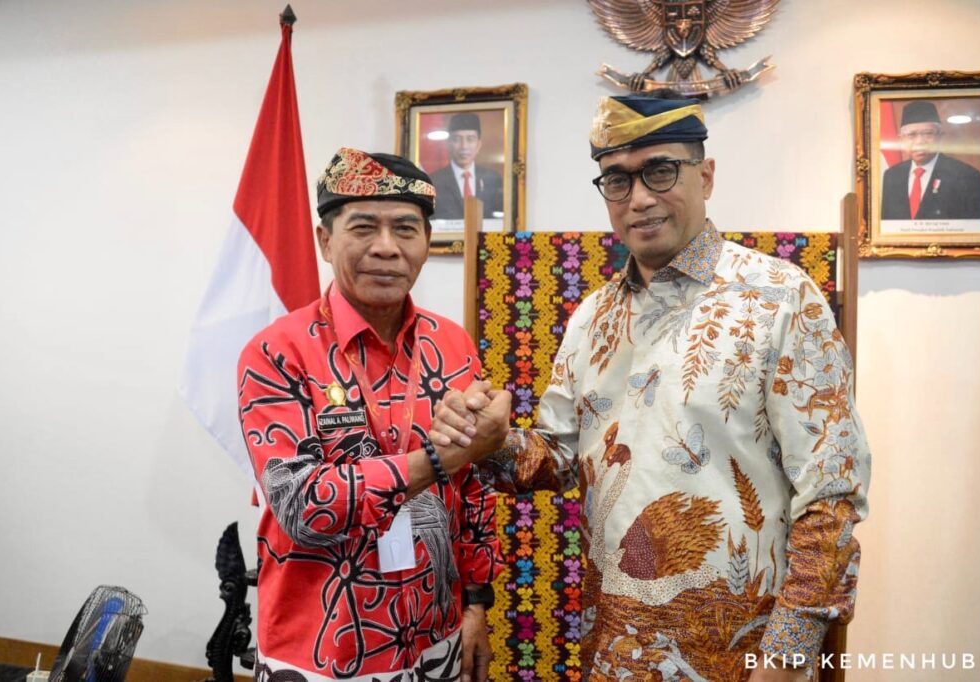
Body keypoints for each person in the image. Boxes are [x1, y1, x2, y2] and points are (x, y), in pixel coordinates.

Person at [431, 96, 872, 681]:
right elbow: (558, 461)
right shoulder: (592, 319)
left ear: (705, 176)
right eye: (617, 179)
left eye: (660, 171)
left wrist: (788, 654)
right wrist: (493, 442)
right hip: (615, 650)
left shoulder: (779, 299)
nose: (638, 198)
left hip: (744, 655)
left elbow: (832, 493)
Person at [237, 147, 512, 681]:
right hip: (322, 646)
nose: (386, 247)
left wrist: (476, 602)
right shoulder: (277, 352)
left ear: (427, 242)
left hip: (436, 633)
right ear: (325, 240)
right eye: (364, 227)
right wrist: (437, 460)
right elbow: (302, 506)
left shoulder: (452, 344)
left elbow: (473, 488)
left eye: (405, 229)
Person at [880, 100, 980, 220]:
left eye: (928, 134)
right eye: (911, 135)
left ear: (940, 137)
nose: (919, 142)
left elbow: (976, 226)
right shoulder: (892, 175)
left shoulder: (966, 176)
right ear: (901, 140)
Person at [431, 113, 504, 220]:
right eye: (457, 139)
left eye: (470, 139)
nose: (464, 146)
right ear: (448, 144)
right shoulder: (434, 181)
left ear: (478, 145)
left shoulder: (493, 178)